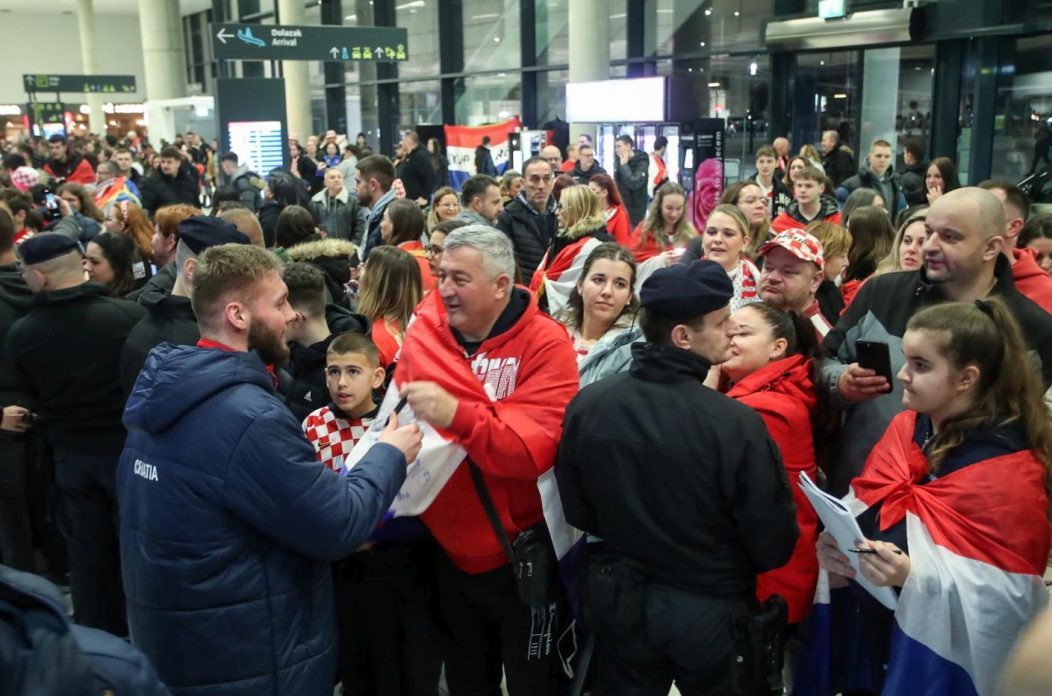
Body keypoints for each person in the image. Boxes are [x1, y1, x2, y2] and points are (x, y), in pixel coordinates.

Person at [117, 243, 421, 696]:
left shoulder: (166, 394)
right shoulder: (247, 418)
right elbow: (338, 523)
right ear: (238, 316)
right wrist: (390, 452)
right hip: (248, 653)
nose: (292, 316)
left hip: (188, 643)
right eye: (279, 303)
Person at [555, 260, 798, 695]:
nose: (731, 332)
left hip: (620, 598)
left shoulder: (590, 404)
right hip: (708, 607)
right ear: (683, 337)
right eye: (723, 323)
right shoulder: (735, 424)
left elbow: (578, 507)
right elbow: (772, 538)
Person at [810, 298, 1052, 696]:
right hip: (876, 634)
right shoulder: (907, 428)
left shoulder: (1008, 465)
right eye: (905, 359)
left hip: (939, 664)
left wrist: (912, 579)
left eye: (921, 365)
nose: (903, 375)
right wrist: (837, 548)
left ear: (966, 378)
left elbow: (1008, 599)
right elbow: (867, 507)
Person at [398, 226, 579, 695]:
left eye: (461, 279)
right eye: (442, 277)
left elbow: (527, 452)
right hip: (445, 556)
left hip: (516, 559)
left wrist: (457, 414)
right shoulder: (428, 330)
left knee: (532, 685)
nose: (446, 290)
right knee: (464, 682)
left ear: (501, 285)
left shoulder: (545, 342)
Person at [821, 187, 1052, 496]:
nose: (929, 246)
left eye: (950, 237)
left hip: (965, 509)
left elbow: (1027, 425)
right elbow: (822, 363)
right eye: (929, 232)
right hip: (862, 493)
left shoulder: (1032, 329)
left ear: (991, 247)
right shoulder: (881, 293)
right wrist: (841, 383)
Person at [7, 234, 147, 635]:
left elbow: (29, 393)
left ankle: (97, 641)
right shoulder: (127, 318)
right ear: (82, 265)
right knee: (136, 551)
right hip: (127, 454)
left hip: (70, 460)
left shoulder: (25, 334)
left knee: (86, 558)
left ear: (40, 276)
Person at [301, 331, 443, 696]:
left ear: (378, 377)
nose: (341, 383)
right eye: (333, 372)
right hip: (341, 564)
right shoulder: (314, 424)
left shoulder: (393, 425)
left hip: (395, 562)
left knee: (401, 660)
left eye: (353, 371)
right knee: (355, 660)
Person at [717, 303, 820, 627]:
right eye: (727, 332)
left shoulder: (769, 411)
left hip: (765, 587)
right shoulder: (757, 395)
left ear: (778, 347)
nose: (730, 339)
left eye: (743, 333)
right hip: (762, 579)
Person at [120, 216, 251, 396]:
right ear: (192, 270)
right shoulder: (204, 341)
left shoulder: (141, 327)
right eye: (232, 274)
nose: (243, 286)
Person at [554, 242, 642, 386]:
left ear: (629, 296)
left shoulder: (635, 350)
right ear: (580, 285)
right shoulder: (553, 330)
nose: (607, 291)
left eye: (620, 284)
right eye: (598, 280)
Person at [531, 184, 614, 315]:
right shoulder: (563, 240)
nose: (557, 212)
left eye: (561, 207)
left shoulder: (596, 247)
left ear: (576, 209)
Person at [979, 179, 1052, 314]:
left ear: (1013, 227)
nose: (1046, 264)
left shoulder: (1044, 293)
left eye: (984, 214)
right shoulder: (950, 280)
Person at [682, 203, 762, 312]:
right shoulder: (685, 280)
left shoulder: (759, 284)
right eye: (711, 232)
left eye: (728, 234)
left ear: (744, 242)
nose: (718, 239)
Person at [757, 229, 834, 340]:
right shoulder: (749, 320)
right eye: (768, 268)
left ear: (815, 281)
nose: (772, 277)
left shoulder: (822, 342)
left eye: (787, 272)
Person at [357, 245, 423, 371]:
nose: (359, 271)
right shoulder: (419, 329)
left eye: (365, 266)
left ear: (377, 282)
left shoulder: (370, 337)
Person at [496, 156, 559, 279]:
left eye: (546, 179)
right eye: (535, 179)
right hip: (525, 292)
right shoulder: (508, 217)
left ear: (552, 181)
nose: (541, 185)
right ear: (523, 183)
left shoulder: (562, 214)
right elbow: (501, 262)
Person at [628, 182, 697, 268]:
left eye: (679, 208)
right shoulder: (644, 230)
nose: (674, 214)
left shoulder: (690, 233)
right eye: (669, 208)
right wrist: (660, 261)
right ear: (659, 206)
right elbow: (631, 261)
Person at [836, 139, 908, 219]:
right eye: (878, 156)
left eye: (887, 156)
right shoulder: (851, 186)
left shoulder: (897, 183)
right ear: (869, 157)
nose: (882, 160)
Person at [841, 205, 894, 308]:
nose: (845, 234)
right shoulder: (853, 259)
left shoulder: (878, 274)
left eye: (848, 229)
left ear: (861, 235)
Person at [805, 220, 853, 328]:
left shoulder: (831, 291)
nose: (847, 262)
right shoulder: (804, 298)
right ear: (824, 255)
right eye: (842, 256)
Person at [382, 198, 435, 291]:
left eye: (384, 219)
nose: (381, 224)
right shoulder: (432, 263)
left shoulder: (390, 263)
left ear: (393, 225)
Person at [771, 166, 843, 232]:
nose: (802, 190)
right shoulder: (781, 222)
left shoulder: (837, 220)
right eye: (799, 186)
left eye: (808, 186)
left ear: (821, 188)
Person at [355, 154, 399, 260]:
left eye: (358, 182)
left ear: (373, 185)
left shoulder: (391, 220)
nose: (354, 187)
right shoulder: (379, 216)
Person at [309, 167, 366, 244]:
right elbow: (311, 227)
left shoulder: (352, 201)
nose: (336, 179)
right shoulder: (316, 202)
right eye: (332, 177)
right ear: (325, 182)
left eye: (339, 177)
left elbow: (360, 226)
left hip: (347, 249)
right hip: (322, 249)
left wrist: (354, 246)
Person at [84, 232, 149, 297]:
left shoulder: (138, 299)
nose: (86, 267)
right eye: (85, 260)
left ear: (118, 266)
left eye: (95, 262)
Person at [103, 200, 154, 267]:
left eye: (108, 219)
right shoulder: (142, 245)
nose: (104, 223)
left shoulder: (132, 252)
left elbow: (139, 276)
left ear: (121, 226)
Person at [614, 135, 651, 226]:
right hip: (622, 206)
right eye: (615, 147)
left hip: (636, 209)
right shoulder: (620, 161)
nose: (616, 150)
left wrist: (624, 166)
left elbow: (634, 183)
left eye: (619, 146)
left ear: (628, 146)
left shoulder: (641, 161)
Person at [585, 172, 629, 245]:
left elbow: (622, 245)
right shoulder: (587, 212)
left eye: (592, 190)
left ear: (604, 193)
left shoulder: (619, 215)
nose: (588, 194)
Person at [397, 131, 437, 207]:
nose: (402, 143)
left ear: (408, 141)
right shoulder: (410, 156)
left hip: (416, 202)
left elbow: (431, 176)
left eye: (403, 140)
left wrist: (424, 197)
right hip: (408, 200)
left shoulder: (420, 156)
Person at [754, 145, 793, 218]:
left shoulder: (785, 191)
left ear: (777, 163)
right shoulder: (746, 188)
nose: (765, 165)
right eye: (761, 161)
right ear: (756, 164)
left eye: (769, 161)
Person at [899, 137, 928, 206]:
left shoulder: (905, 179)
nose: (903, 156)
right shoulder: (930, 172)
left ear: (909, 156)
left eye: (904, 153)